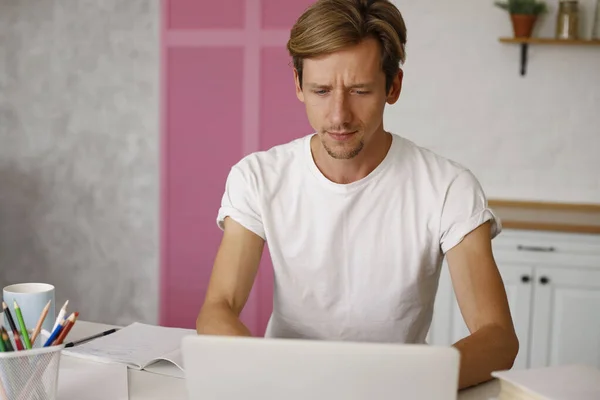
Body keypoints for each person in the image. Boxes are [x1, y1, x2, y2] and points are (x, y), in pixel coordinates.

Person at [196, 0, 518, 390]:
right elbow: (218, 309)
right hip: (287, 387)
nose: (338, 116)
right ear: (298, 86)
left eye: (360, 90)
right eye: (320, 90)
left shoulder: (449, 187)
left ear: (393, 86)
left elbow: (497, 336)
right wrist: (270, 378)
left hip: (401, 390)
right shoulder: (258, 177)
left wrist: (396, 387)